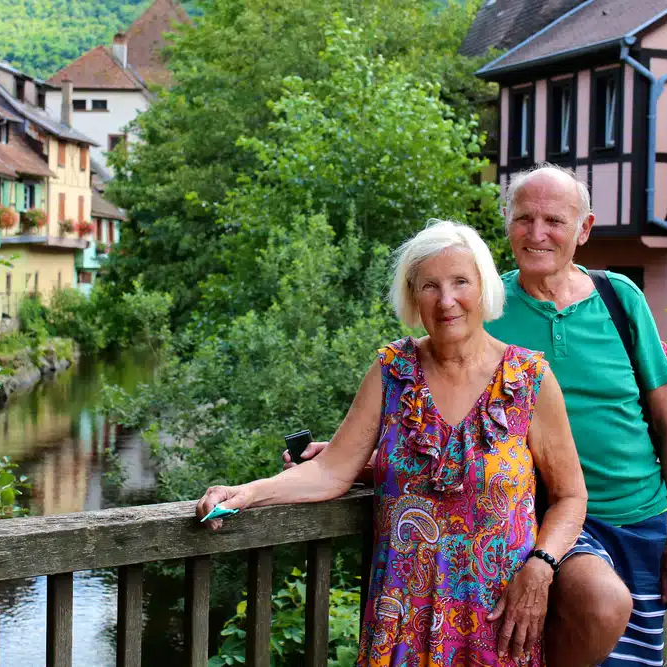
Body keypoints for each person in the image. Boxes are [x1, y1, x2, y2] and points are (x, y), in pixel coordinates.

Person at [288, 164, 667, 667]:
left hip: (640, 517)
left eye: (553, 219)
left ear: (585, 229)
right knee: (590, 611)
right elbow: (442, 408)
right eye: (523, 218)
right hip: (551, 521)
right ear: (506, 224)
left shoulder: (621, 299)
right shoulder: (482, 304)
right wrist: (352, 459)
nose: (536, 233)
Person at [198, 221, 588, 666]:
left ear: (483, 287)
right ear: (412, 295)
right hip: (401, 619)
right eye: (429, 286)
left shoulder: (529, 379)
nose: (446, 301)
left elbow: (571, 495)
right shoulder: (393, 370)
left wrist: (541, 566)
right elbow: (330, 470)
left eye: (461, 281)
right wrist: (244, 494)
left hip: (498, 619)